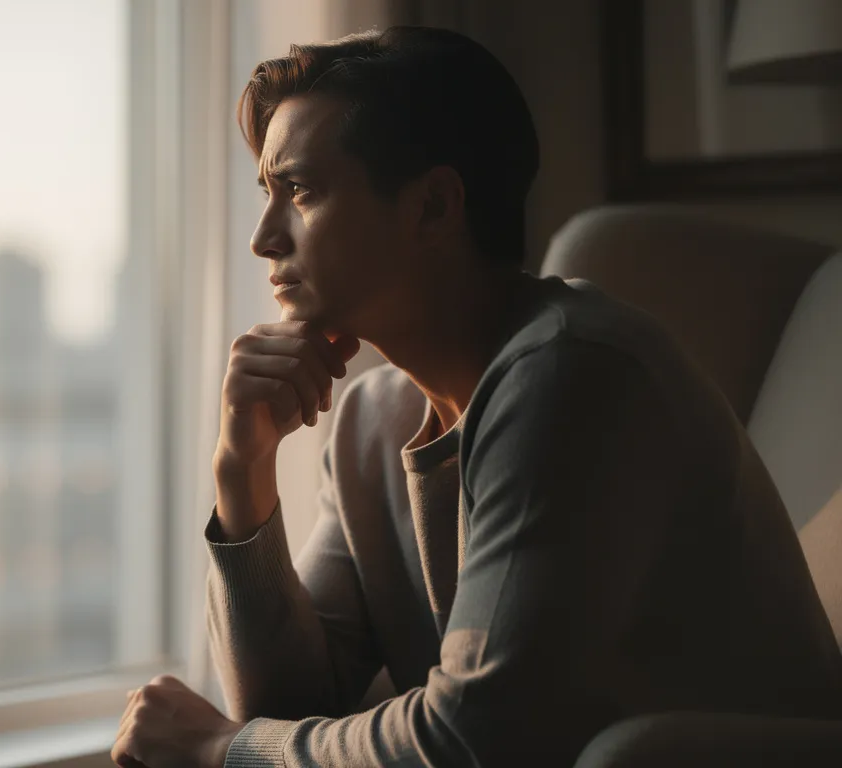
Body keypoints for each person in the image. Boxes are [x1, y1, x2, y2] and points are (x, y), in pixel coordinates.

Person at [111, 25, 842, 768]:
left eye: (299, 191)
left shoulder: (569, 372)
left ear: (433, 206)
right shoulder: (370, 422)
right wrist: (244, 469)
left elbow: (475, 741)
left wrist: (215, 750)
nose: (264, 238)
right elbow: (293, 709)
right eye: (269, 194)